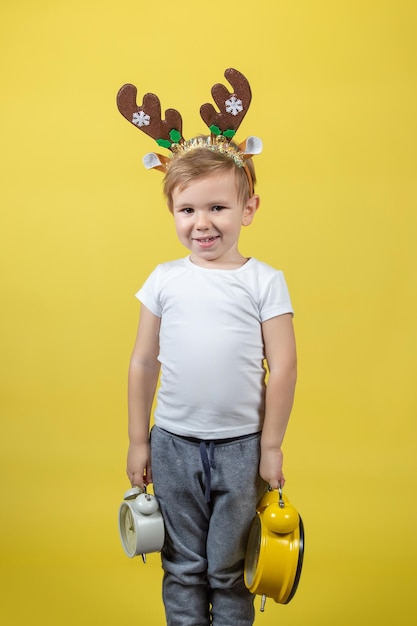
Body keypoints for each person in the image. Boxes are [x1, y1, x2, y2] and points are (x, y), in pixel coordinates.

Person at [126, 145, 297, 625]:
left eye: (217, 207)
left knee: (230, 570)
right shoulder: (163, 281)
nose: (202, 223)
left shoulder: (264, 281)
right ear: (173, 213)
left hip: (241, 450)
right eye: (188, 210)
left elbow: (283, 368)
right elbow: (142, 363)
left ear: (249, 209)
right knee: (182, 568)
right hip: (173, 445)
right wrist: (139, 441)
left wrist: (272, 446)